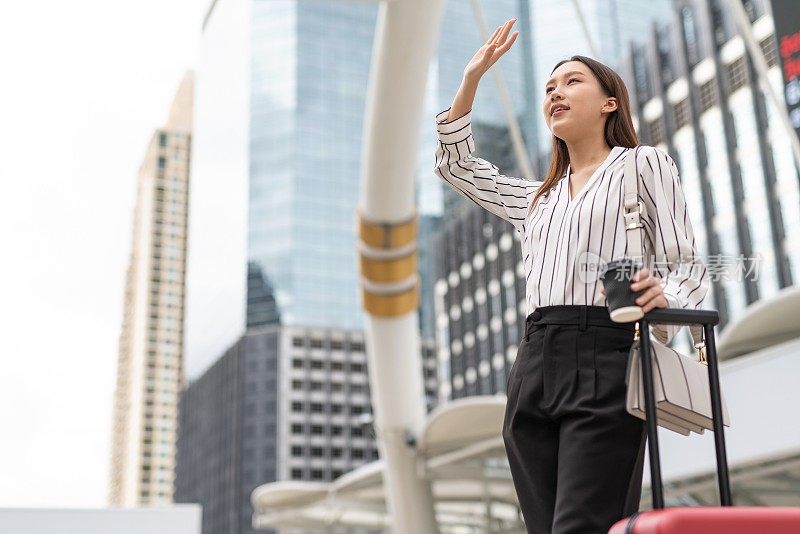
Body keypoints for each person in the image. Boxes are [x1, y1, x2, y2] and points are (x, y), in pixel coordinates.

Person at [433, 18, 710, 534]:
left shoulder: (641, 165)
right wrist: (471, 79)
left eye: (573, 82)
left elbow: (686, 264)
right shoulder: (537, 198)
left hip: (608, 349)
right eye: (549, 88)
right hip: (534, 361)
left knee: (580, 525)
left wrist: (664, 300)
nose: (556, 93)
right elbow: (458, 168)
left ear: (610, 102)